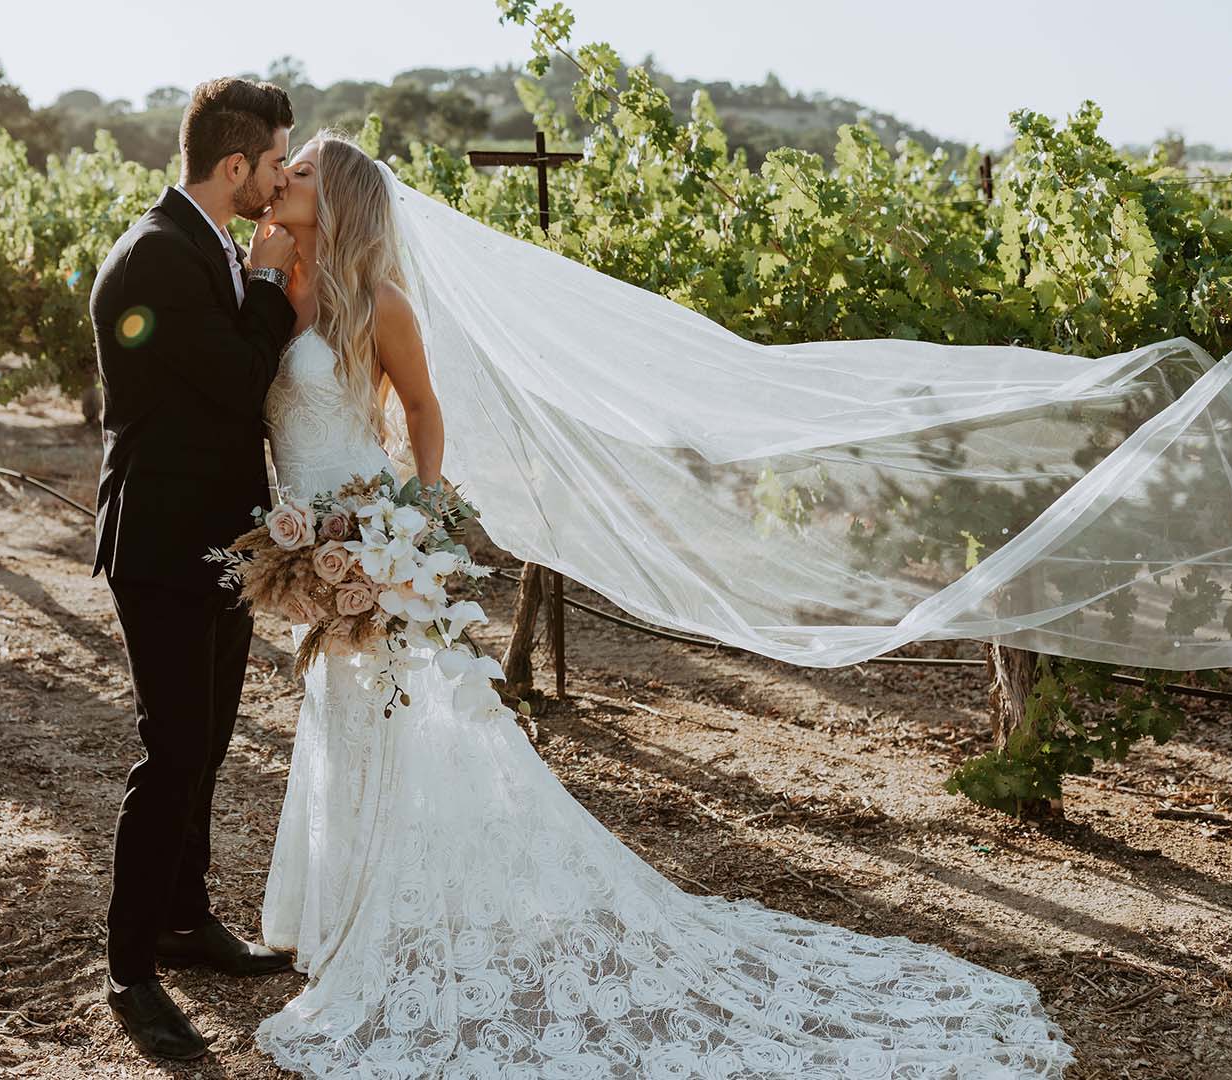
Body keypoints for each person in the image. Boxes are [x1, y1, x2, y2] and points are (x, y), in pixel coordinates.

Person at [249, 132, 1077, 1079]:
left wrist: (421, 513)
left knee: (401, 714)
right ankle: (334, 903)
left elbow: (426, 409)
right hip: (306, 533)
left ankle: (391, 910)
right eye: (287, 168)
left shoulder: (379, 302)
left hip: (374, 531)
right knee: (339, 705)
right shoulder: (269, 287)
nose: (286, 180)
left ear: (344, 196)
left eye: (304, 172)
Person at [87, 76, 302, 1061]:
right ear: (233, 167)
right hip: (166, 544)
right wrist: (266, 285)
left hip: (221, 539)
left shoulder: (197, 241)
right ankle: (131, 968)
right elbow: (237, 376)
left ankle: (185, 916)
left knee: (207, 743)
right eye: (272, 164)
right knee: (171, 748)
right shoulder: (163, 257)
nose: (279, 180)